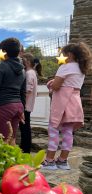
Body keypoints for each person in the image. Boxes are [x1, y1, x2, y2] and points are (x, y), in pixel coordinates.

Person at [42, 42, 92, 170]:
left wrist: (50, 84)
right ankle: (63, 161)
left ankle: (49, 161)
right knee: (68, 132)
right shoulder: (81, 69)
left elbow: (57, 86)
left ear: (69, 55)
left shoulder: (66, 67)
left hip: (61, 103)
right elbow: (71, 84)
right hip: (74, 103)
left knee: (53, 130)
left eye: (63, 54)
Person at [0, 38, 26, 145]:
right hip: (17, 106)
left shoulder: (2, 66)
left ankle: (6, 162)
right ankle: (15, 162)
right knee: (11, 138)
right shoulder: (22, 70)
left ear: (4, 52)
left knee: (2, 140)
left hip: (4, 107)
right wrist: (22, 109)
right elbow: (23, 91)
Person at [19, 53, 41, 153]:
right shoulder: (32, 72)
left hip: (25, 105)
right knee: (25, 127)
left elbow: (27, 90)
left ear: (27, 61)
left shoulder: (29, 73)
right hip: (28, 105)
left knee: (25, 128)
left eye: (23, 60)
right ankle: (25, 148)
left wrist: (21, 104)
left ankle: (25, 149)